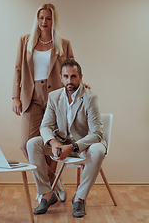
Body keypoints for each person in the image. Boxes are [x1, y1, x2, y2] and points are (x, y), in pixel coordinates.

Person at [27, 59, 107, 218]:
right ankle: (46, 195)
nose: (69, 81)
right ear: (61, 77)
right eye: (66, 76)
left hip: (84, 146)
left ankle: (79, 198)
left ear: (80, 77)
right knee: (32, 144)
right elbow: (45, 126)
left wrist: (73, 147)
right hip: (61, 143)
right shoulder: (54, 96)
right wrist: (54, 142)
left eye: (73, 76)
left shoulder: (90, 98)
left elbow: (97, 133)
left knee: (98, 150)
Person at [12, 3, 74, 202]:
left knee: (52, 144)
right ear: (36, 20)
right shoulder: (25, 41)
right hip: (31, 96)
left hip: (57, 96)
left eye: (48, 18)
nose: (44, 22)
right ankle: (53, 181)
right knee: (25, 143)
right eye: (41, 18)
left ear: (53, 20)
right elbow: (18, 69)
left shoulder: (63, 44)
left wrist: (76, 88)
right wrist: (15, 96)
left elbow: (71, 69)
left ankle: (45, 192)